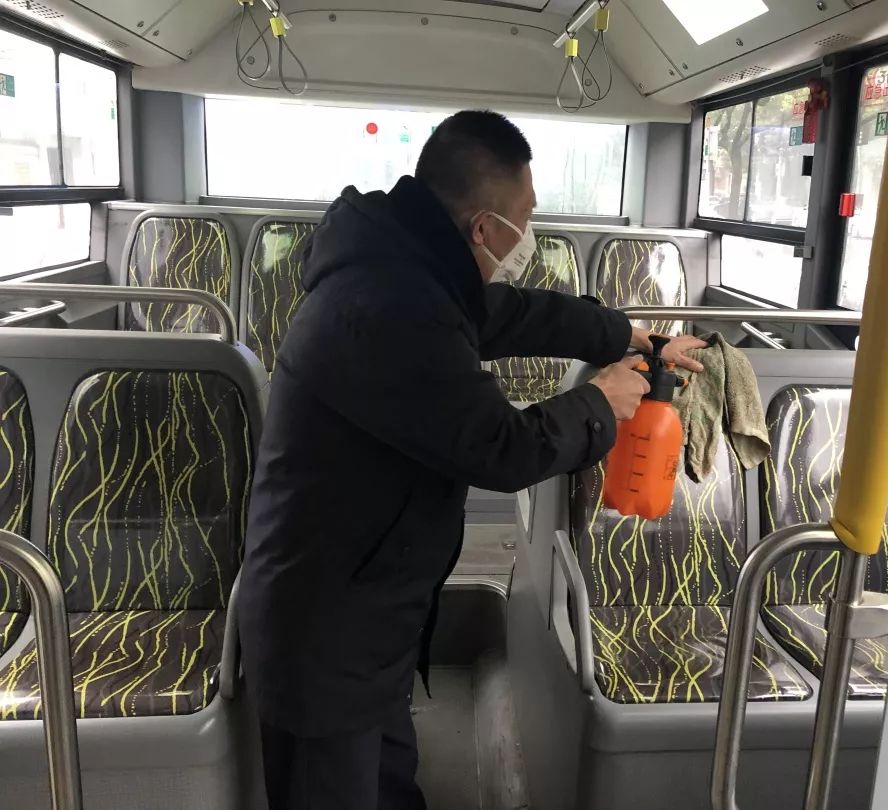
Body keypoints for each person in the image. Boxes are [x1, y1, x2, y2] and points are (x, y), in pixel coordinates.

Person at [238, 109, 705, 809]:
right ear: (484, 228)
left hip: (369, 607)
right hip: (325, 633)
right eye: (527, 218)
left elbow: (511, 313)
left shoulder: (408, 268)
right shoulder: (387, 307)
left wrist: (627, 334)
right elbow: (500, 447)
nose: (530, 236)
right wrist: (600, 403)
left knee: (389, 780)